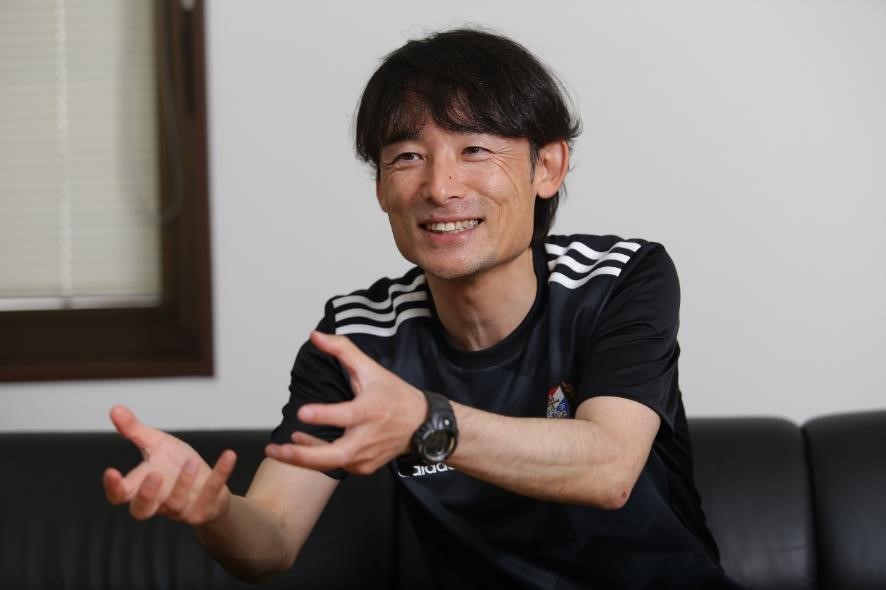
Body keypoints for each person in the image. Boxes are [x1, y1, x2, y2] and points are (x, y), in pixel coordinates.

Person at [104, 28, 742, 589]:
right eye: (407, 157)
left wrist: (425, 420)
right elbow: (271, 540)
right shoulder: (359, 336)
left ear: (547, 166)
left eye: (475, 150)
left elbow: (609, 467)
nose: (439, 187)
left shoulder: (618, 278)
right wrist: (216, 512)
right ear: (381, 188)